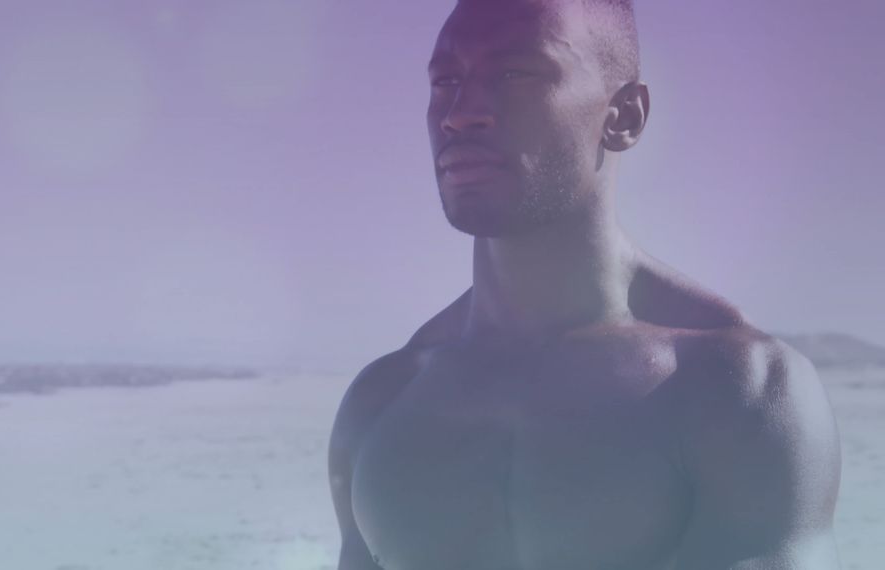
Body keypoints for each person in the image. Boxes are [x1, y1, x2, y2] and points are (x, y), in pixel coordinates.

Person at [327, 0, 843, 568]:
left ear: (624, 116)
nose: (460, 111)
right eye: (446, 80)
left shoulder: (740, 392)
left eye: (514, 73)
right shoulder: (380, 403)